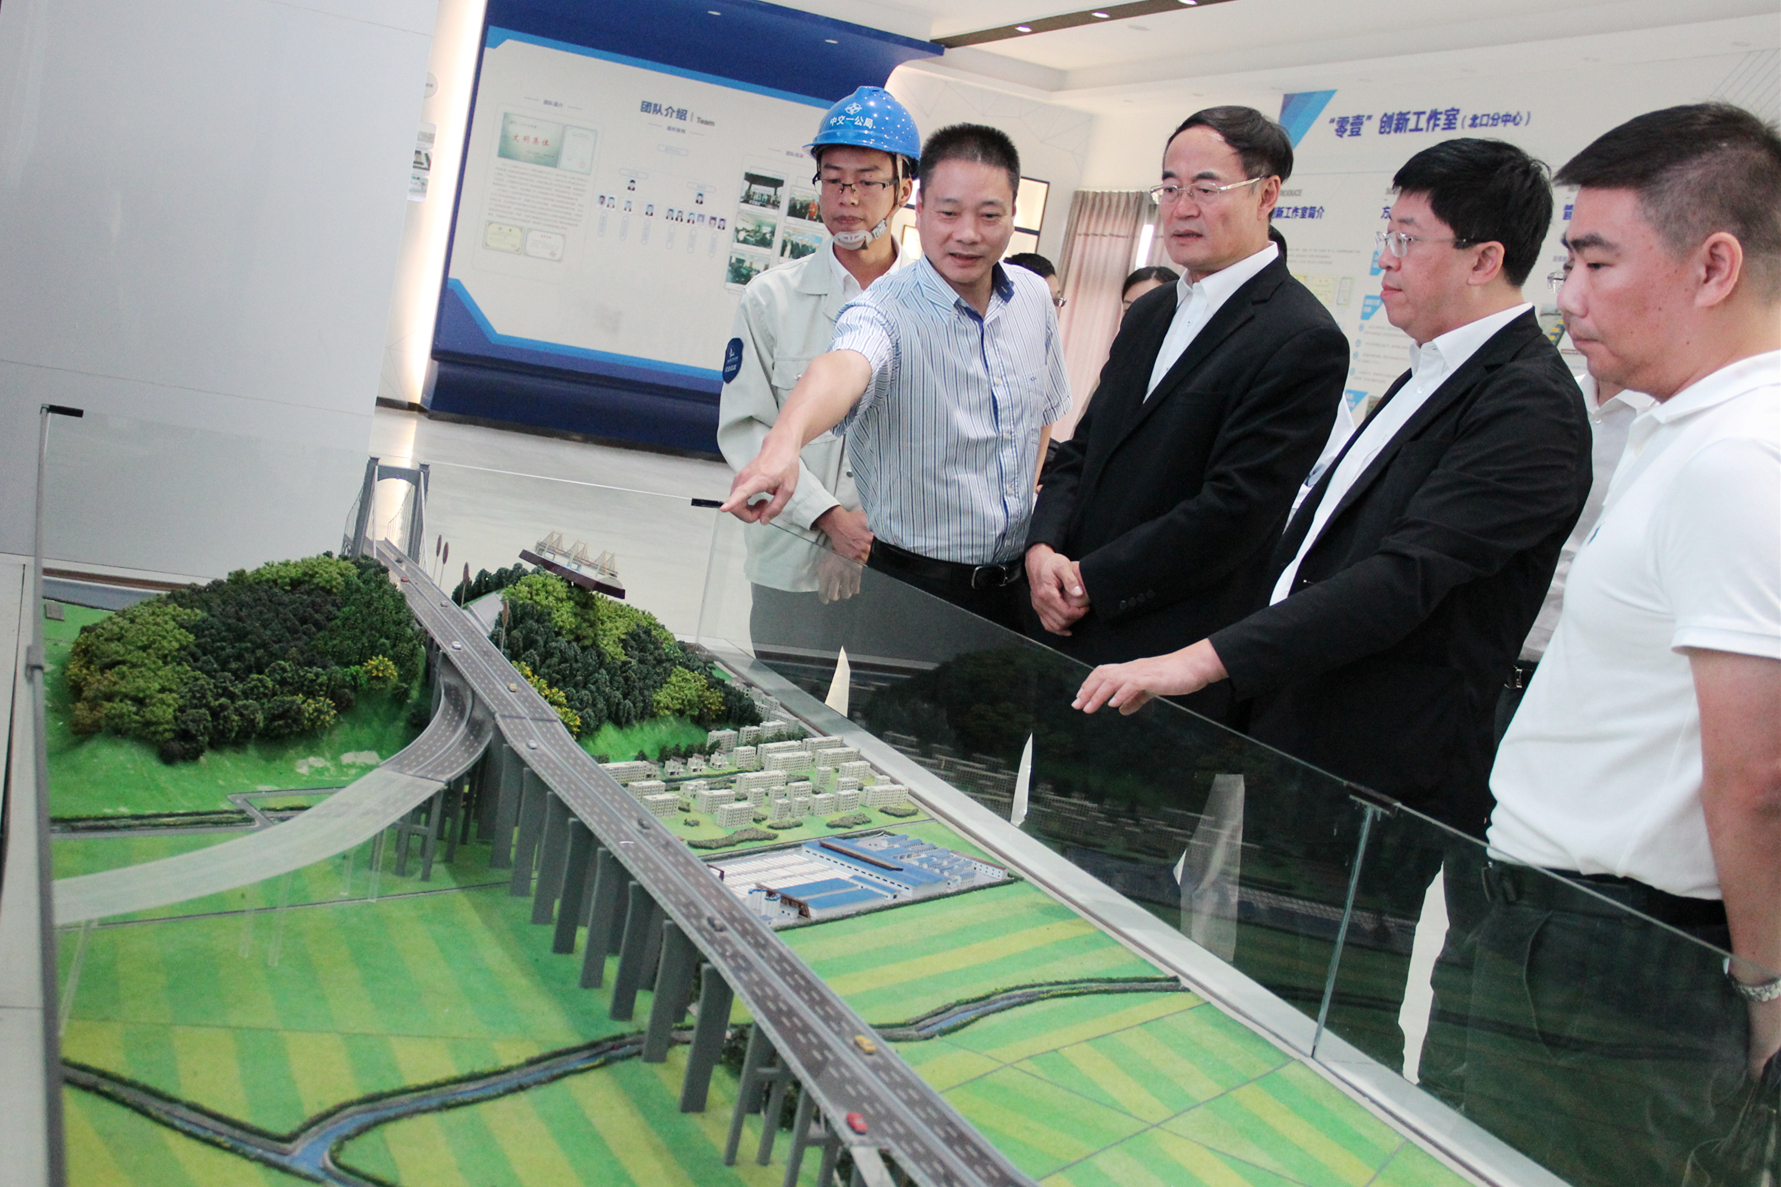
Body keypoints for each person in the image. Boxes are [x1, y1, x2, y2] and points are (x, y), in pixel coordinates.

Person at [1073, 137, 1593, 1069]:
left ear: (1483, 259)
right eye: (1387, 235)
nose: (1385, 260)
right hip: (1302, 732)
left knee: (1328, 1010)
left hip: (1376, 768)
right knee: (1269, 986)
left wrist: (1202, 656)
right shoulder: (1432, 369)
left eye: (1407, 240)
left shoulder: (1527, 405)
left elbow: (1400, 579)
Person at [1442, 103, 1781, 1187]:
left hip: (1615, 955)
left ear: (1712, 266)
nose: (1569, 297)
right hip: (1558, 923)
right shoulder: (1680, 430)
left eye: (1595, 262)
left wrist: (1767, 995)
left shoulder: (1738, 459)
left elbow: (1756, 777)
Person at [1024, 106, 1349, 719]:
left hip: (1164, 656)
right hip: (1059, 621)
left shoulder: (1301, 336)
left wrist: (1092, 580)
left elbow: (1235, 511)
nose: (1181, 208)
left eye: (1205, 188)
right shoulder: (1150, 312)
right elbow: (1085, 449)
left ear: (1267, 194)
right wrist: (1042, 549)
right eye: (1170, 188)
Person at [720, 124, 1071, 631]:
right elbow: (843, 367)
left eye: (989, 215)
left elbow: (1041, 417)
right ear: (922, 209)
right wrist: (785, 445)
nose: (968, 233)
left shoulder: (1034, 298)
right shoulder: (880, 307)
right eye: (949, 213)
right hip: (901, 580)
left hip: (1012, 591)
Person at [716, 86, 917, 648]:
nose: (847, 198)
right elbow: (748, 428)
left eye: (867, 181)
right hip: (791, 555)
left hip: (894, 562)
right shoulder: (770, 298)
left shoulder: (934, 305)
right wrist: (830, 519)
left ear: (903, 189)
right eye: (833, 180)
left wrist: (864, 535)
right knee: (782, 697)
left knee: (885, 699)